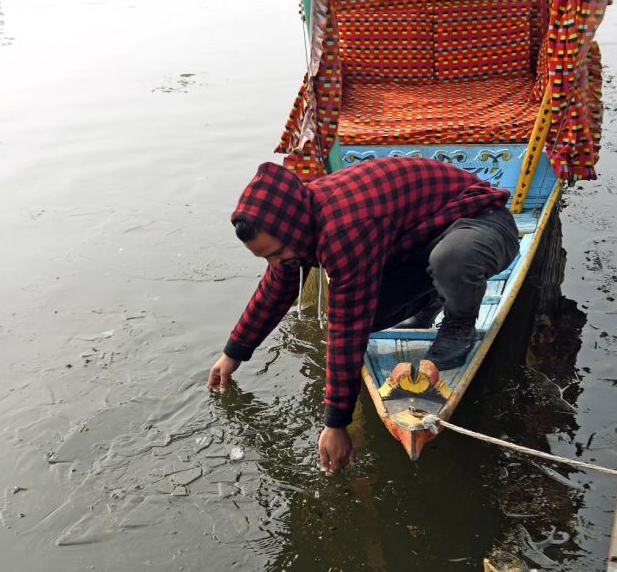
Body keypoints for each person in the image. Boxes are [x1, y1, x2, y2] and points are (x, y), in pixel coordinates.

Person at [207, 158, 519, 473]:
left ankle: (459, 325)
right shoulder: (298, 223)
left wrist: (336, 423)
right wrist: (233, 353)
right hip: (419, 243)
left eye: (276, 254)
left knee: (452, 260)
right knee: (374, 311)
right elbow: (275, 289)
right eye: (266, 258)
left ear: (292, 230)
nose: (275, 263)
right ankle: (435, 295)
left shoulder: (343, 225)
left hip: (484, 224)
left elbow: (346, 328)